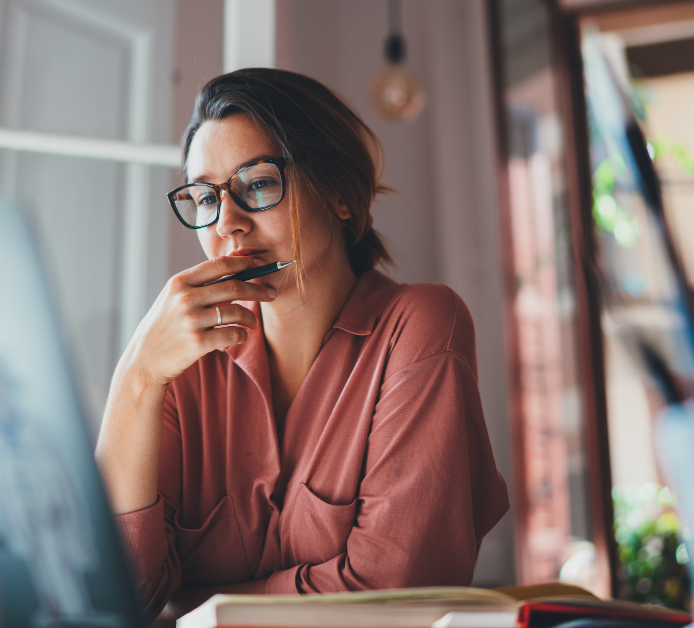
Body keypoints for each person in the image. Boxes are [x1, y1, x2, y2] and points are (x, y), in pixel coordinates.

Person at [95, 68, 509, 619]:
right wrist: (137, 377)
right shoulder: (180, 364)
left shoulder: (420, 325)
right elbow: (114, 600)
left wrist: (194, 608)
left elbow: (394, 592)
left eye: (259, 183)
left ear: (339, 192)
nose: (228, 225)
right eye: (204, 198)